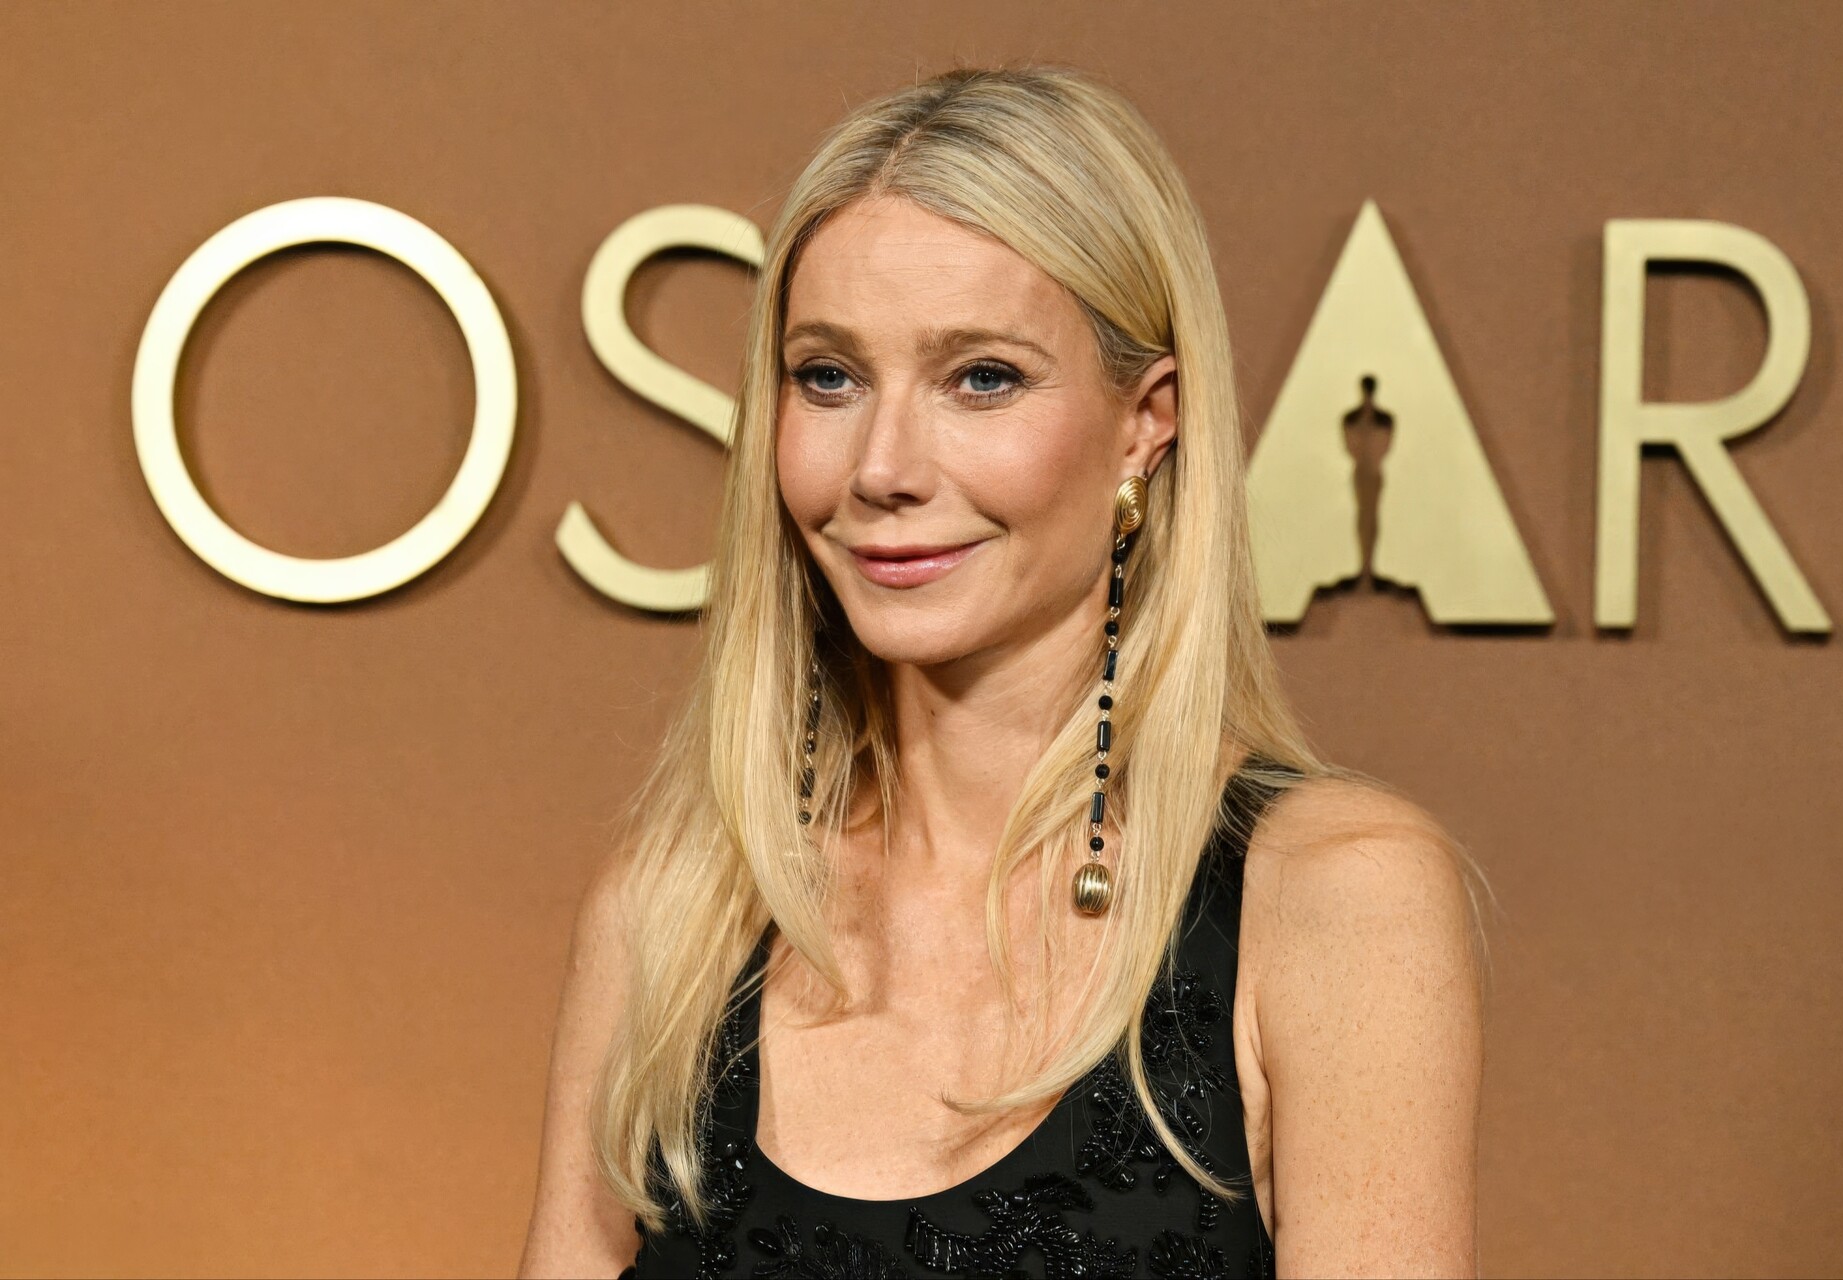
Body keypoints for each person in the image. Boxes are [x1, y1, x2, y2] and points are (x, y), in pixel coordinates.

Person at [519, 64, 1485, 1280]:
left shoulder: (1336, 897)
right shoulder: (676, 912)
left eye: (982, 377)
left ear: (1147, 419)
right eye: (829, 376)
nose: (883, 466)